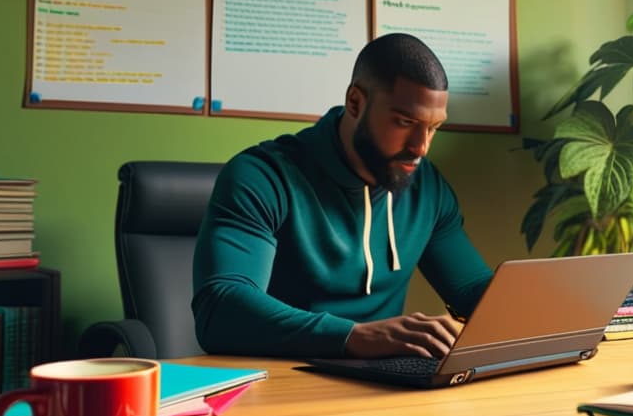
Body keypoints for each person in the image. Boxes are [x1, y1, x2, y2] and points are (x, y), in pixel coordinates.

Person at [192, 33, 494, 360]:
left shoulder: (426, 188)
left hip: (384, 387)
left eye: (434, 127)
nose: (421, 146)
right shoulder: (263, 177)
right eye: (405, 122)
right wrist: (354, 336)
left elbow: (474, 293)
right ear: (355, 102)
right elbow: (220, 309)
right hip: (285, 380)